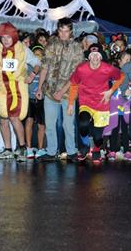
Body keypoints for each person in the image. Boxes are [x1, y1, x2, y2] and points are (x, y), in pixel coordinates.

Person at [0, 22, 41, 160]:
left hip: (18, 88)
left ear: (14, 37)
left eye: (8, 37)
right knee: (3, 118)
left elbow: (37, 63)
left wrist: (32, 75)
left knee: (14, 117)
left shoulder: (22, 49)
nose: (5, 40)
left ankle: (22, 148)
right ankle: (8, 149)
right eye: (3, 37)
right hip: (2, 88)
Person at [35, 18, 85, 161]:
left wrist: (62, 91)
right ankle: (51, 152)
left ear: (71, 32)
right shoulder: (50, 46)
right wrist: (39, 88)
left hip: (68, 93)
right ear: (58, 31)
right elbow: (44, 67)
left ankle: (71, 152)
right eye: (61, 31)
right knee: (49, 124)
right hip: (50, 91)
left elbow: (77, 74)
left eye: (66, 31)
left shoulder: (77, 48)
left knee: (68, 124)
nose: (63, 34)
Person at [67, 43, 124, 164]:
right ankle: (85, 146)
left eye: (97, 55)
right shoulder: (81, 69)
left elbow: (121, 76)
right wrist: (71, 103)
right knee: (83, 124)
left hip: (102, 104)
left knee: (98, 138)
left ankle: (96, 150)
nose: (95, 58)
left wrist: (110, 91)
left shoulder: (108, 68)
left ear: (101, 57)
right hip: (85, 102)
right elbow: (73, 84)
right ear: (89, 57)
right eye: (92, 55)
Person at [103, 51, 131, 160]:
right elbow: (110, 89)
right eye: (126, 60)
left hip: (126, 106)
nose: (128, 62)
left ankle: (126, 149)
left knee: (126, 128)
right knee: (114, 127)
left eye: (130, 60)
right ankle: (113, 150)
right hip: (115, 106)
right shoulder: (114, 75)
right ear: (119, 62)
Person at [25, 43, 46, 159]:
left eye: (40, 55)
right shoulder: (28, 67)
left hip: (41, 99)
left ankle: (41, 148)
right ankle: (28, 148)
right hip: (29, 98)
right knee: (29, 122)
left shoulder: (45, 68)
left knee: (41, 125)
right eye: (35, 55)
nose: (38, 57)